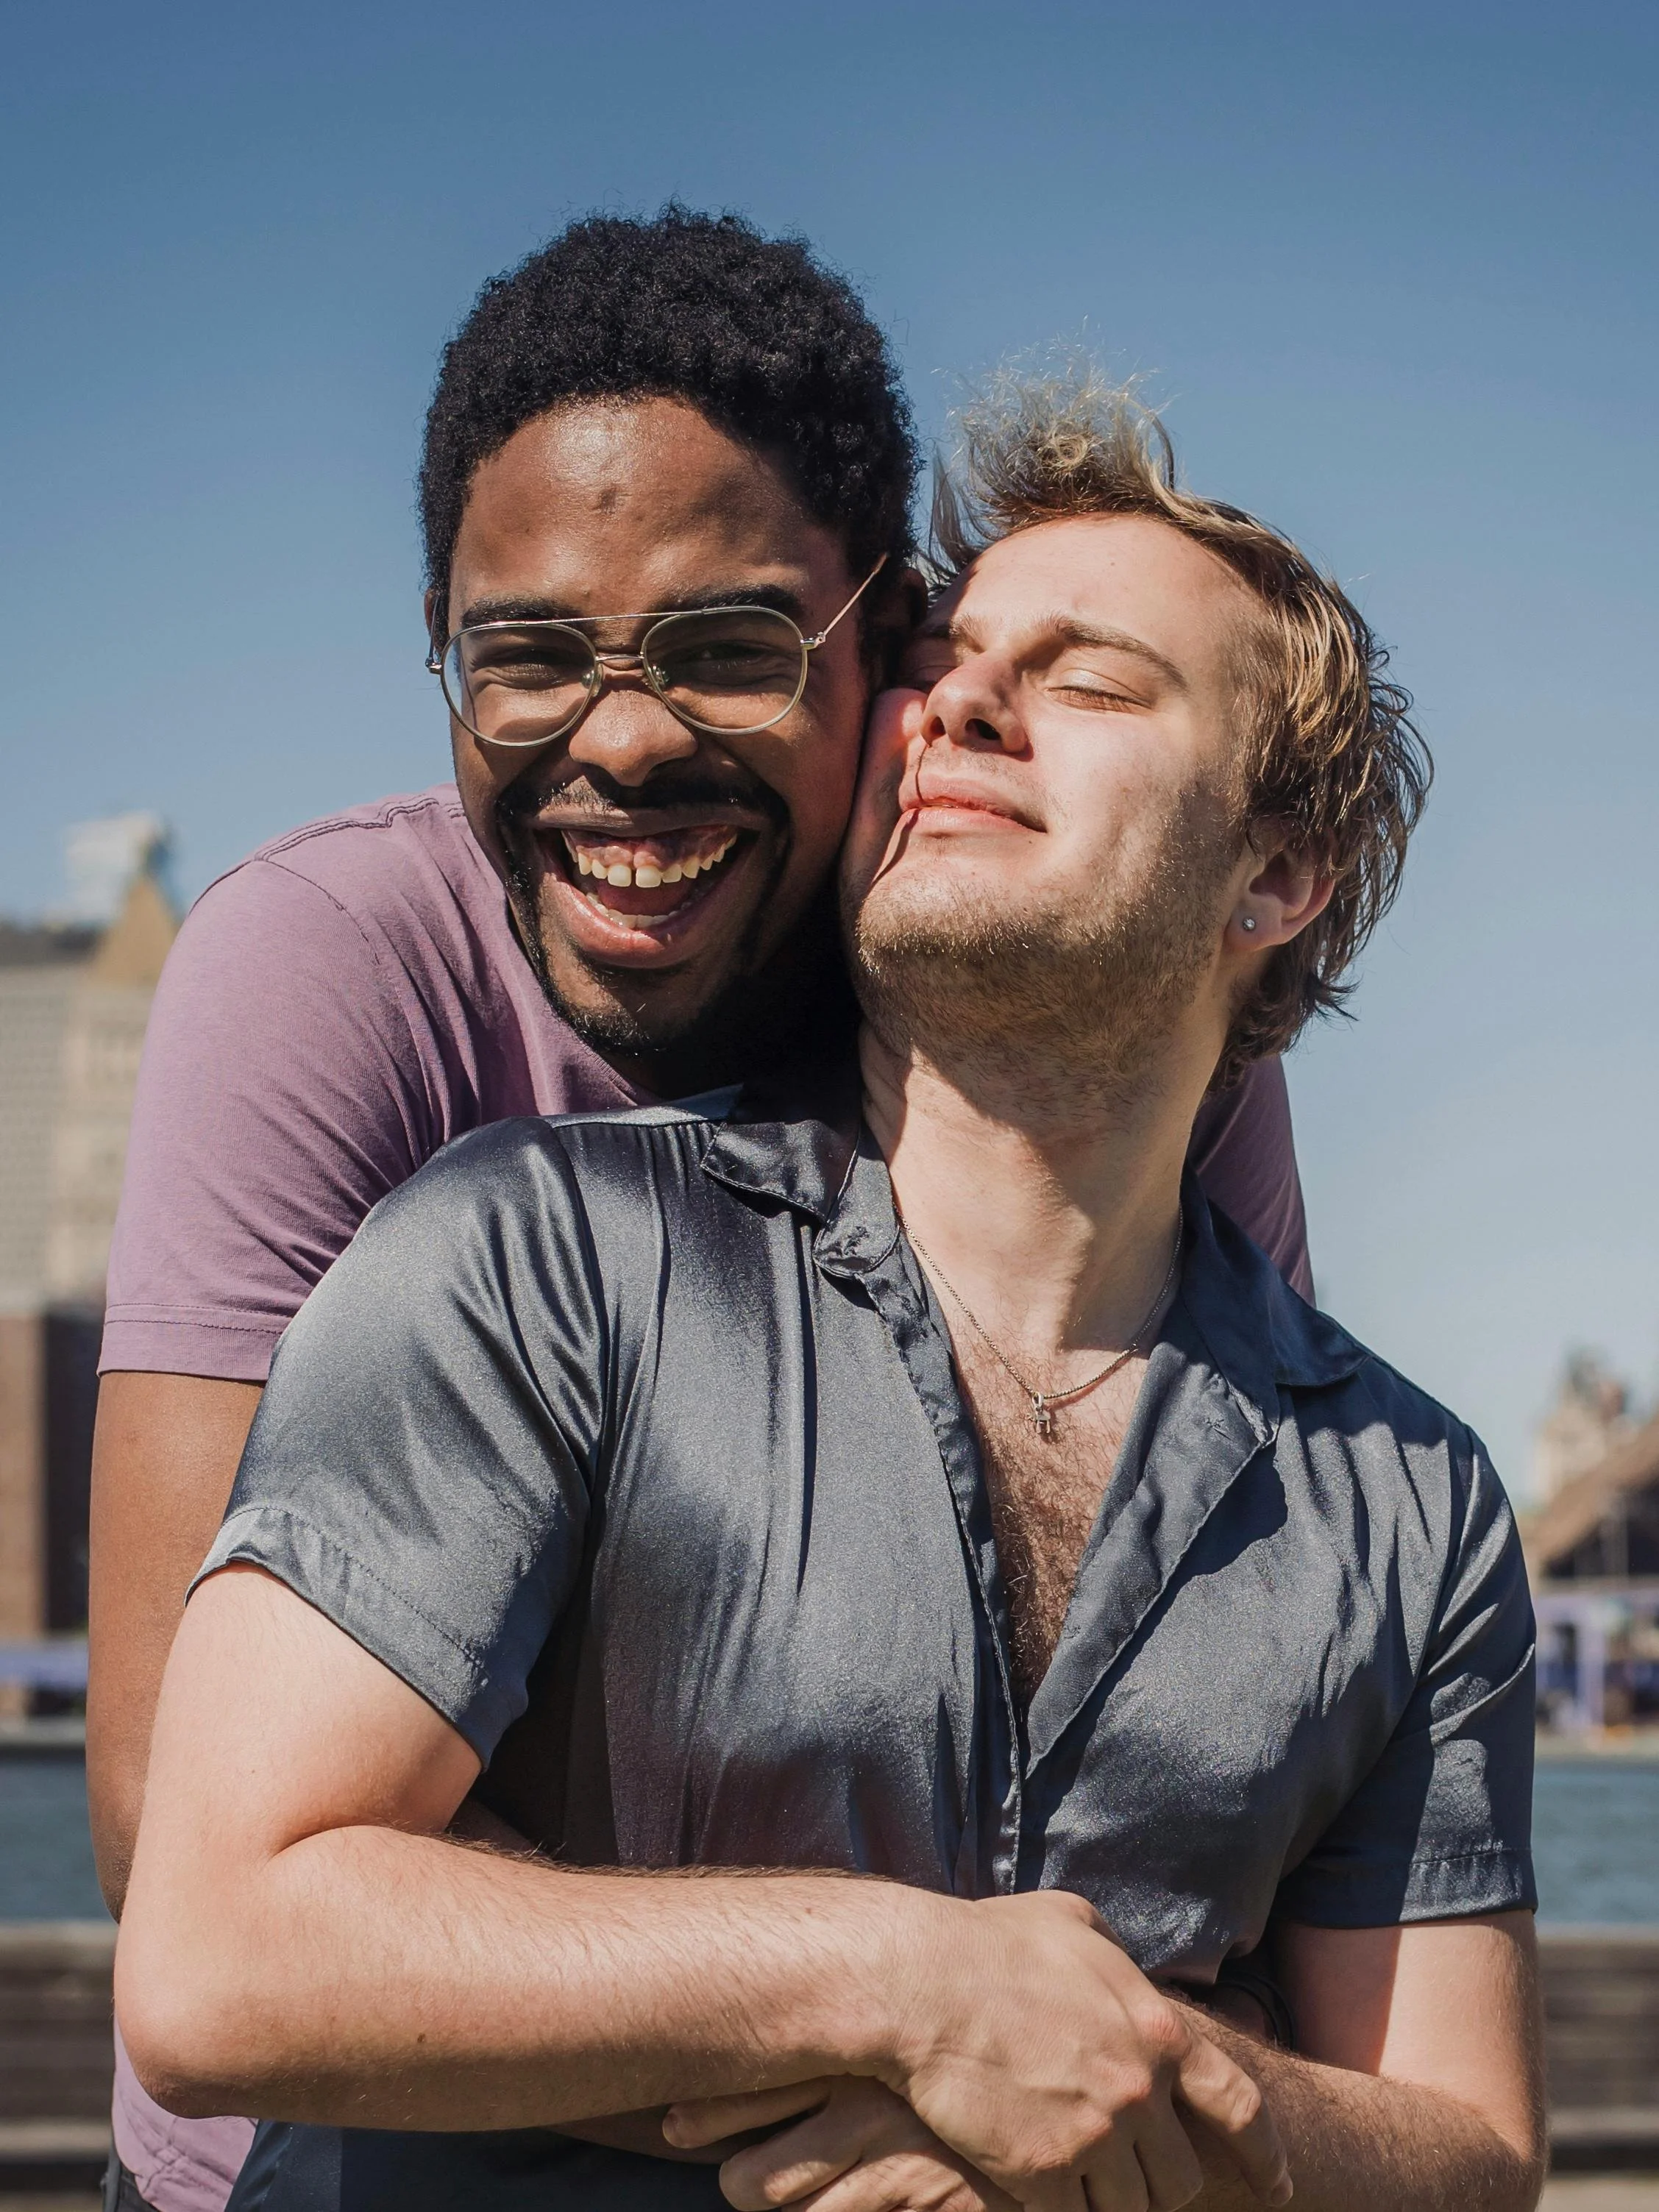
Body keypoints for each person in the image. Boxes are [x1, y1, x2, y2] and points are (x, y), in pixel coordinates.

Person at [116, 375, 1544, 2212]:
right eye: (947, 666)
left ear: (1272, 871)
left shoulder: (1406, 1501)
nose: (959, 703)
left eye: (1091, 682)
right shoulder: (528, 1263)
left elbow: (1469, 2147)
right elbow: (222, 1948)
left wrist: (1138, 2094)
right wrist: (904, 1995)